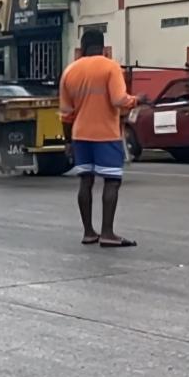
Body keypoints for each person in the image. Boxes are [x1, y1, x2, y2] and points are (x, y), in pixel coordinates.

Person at [59, 30, 147, 248]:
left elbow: (66, 113)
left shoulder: (70, 71)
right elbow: (119, 99)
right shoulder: (110, 67)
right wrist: (137, 100)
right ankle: (107, 233)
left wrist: (68, 141)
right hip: (105, 134)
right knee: (112, 181)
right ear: (103, 47)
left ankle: (89, 232)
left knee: (85, 181)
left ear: (81, 48)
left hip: (80, 134)